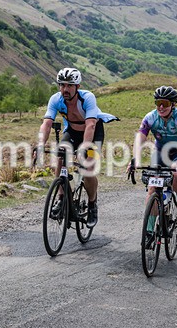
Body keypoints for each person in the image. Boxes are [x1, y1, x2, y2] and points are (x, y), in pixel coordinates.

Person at [38, 67, 118, 227]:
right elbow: (46, 123)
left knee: (88, 169)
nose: (65, 89)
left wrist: (85, 148)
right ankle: (61, 198)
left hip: (93, 133)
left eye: (69, 85)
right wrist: (40, 144)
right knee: (60, 158)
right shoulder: (55, 99)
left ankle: (92, 204)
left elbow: (90, 125)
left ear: (77, 87)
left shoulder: (88, 98)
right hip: (73, 132)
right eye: (62, 85)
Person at [127, 86, 177, 227]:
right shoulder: (150, 117)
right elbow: (140, 139)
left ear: (173, 104)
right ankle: (149, 230)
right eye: (158, 103)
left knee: (176, 174)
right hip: (161, 151)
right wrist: (135, 159)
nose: (161, 107)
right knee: (152, 187)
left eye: (166, 103)